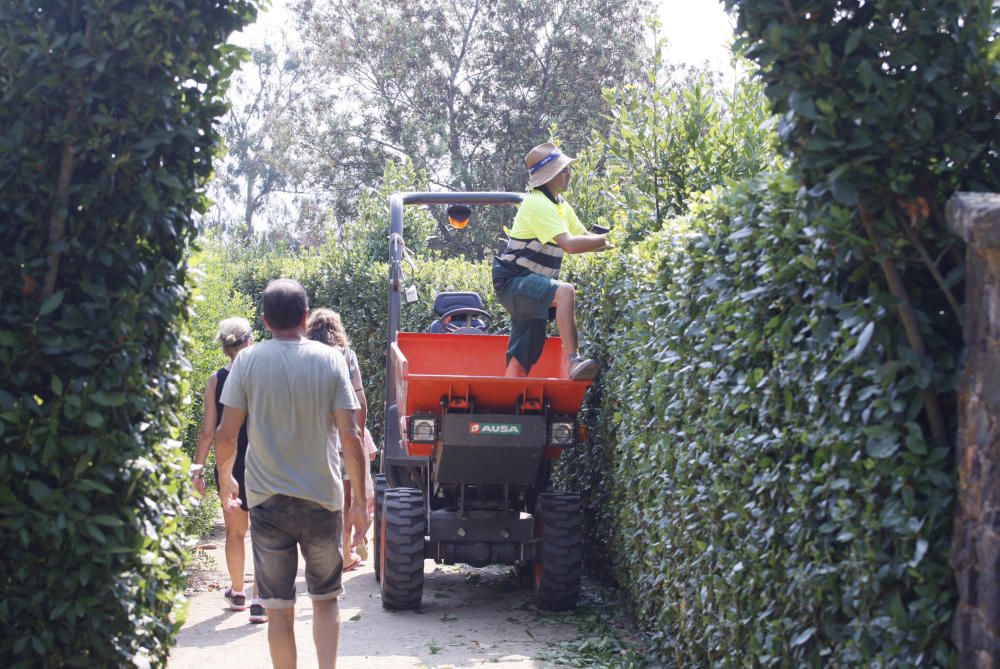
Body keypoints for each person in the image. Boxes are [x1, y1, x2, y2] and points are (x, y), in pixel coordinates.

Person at [215, 279, 369, 669]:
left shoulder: (246, 362)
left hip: (267, 504)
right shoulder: (331, 359)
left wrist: (225, 479)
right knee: (325, 600)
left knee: (279, 610)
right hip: (322, 499)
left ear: (265, 321)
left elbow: (226, 434)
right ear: (305, 315)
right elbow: (351, 436)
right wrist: (360, 506)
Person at [491, 141, 613, 380]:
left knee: (522, 357)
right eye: (564, 170)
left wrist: (610, 241)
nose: (569, 174)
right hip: (514, 282)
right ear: (551, 175)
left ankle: (509, 408)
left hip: (532, 288)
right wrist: (603, 240)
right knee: (565, 292)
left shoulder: (560, 205)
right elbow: (569, 244)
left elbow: (586, 237)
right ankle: (573, 361)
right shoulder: (537, 203)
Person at [191, 317, 266, 624]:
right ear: (251, 341)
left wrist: (197, 470)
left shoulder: (217, 379)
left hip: (230, 465)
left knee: (235, 533)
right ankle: (260, 601)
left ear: (224, 348)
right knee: (263, 534)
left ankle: (237, 592)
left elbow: (209, 431)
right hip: (265, 465)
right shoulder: (266, 375)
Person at [305, 308, 377, 570]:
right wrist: (359, 431)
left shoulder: (304, 356)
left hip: (314, 438)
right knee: (345, 500)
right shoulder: (347, 356)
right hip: (343, 435)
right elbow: (360, 399)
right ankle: (345, 554)